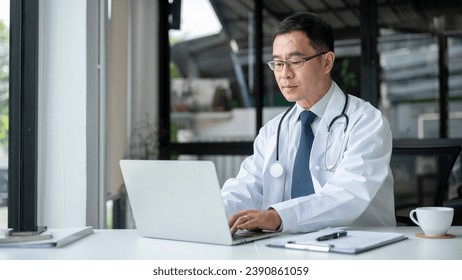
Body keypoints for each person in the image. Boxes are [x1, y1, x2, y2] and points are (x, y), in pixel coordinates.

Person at [221, 11, 396, 234]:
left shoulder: (366, 122)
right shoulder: (272, 131)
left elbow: (349, 194)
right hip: (286, 247)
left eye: (295, 61)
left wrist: (278, 217)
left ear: (327, 62)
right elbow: (247, 187)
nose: (284, 74)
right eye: (277, 63)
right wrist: (212, 211)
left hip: (359, 248)